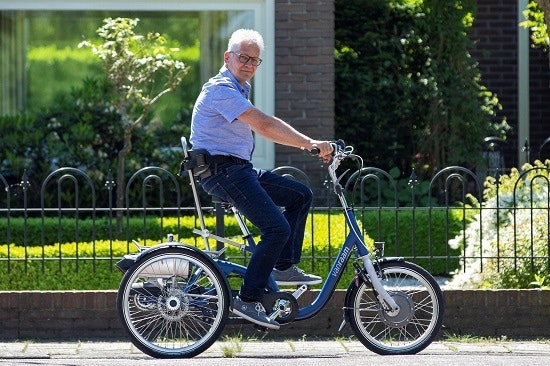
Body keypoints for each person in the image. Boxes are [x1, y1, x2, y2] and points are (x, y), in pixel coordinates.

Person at [190, 28, 333, 330]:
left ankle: (282, 267)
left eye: (255, 61)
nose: (249, 65)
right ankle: (248, 298)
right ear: (227, 57)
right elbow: (264, 124)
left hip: (238, 169)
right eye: (244, 58)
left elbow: (261, 126)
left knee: (300, 195)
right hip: (223, 172)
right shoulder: (220, 89)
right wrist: (310, 143)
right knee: (276, 228)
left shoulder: (239, 88)